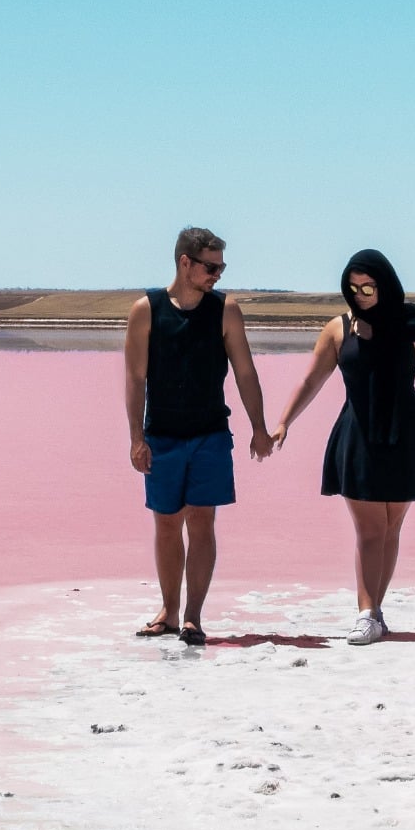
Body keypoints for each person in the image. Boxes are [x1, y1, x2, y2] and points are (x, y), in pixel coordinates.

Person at [272, 249, 415, 645]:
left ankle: (377, 612)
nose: (361, 294)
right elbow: (311, 380)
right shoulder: (339, 328)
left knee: (390, 529)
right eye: (353, 288)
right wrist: (284, 422)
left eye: (368, 287)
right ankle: (366, 614)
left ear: (385, 284)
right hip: (358, 434)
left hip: (404, 433)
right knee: (370, 530)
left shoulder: (413, 322)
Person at [124, 226, 273, 646]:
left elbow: (245, 372)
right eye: (211, 266)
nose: (217, 275)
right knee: (167, 525)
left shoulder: (225, 311)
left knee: (202, 522)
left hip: (210, 434)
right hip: (163, 437)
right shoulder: (146, 310)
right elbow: (135, 379)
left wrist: (259, 428)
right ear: (184, 263)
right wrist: (136, 437)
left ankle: (192, 617)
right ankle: (168, 612)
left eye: (222, 267)